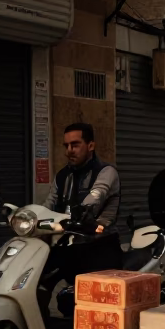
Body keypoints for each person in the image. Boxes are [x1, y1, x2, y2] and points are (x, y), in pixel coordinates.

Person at [42, 123, 122, 287]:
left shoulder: (106, 172)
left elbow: (97, 195)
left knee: (95, 294)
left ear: (91, 145)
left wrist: (80, 210)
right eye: (66, 145)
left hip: (100, 243)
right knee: (40, 275)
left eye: (75, 145)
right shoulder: (62, 175)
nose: (69, 150)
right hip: (69, 242)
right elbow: (49, 203)